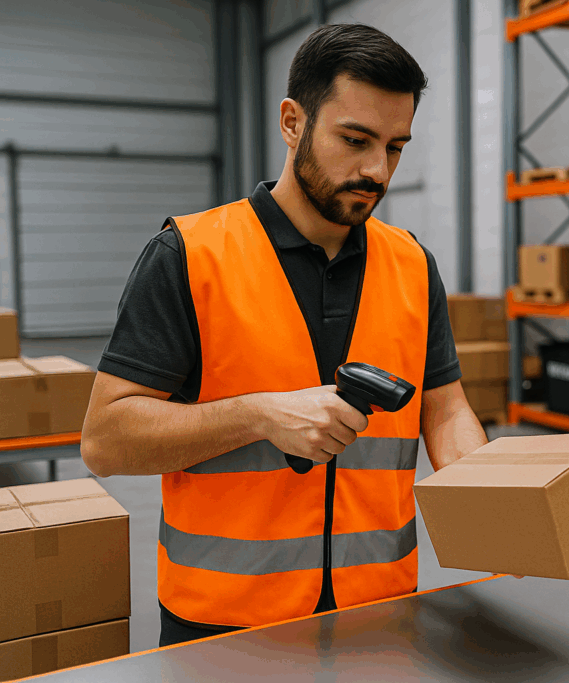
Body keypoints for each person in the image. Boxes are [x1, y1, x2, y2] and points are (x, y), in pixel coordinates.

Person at [82, 23, 502, 648]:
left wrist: (499, 506)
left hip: (380, 613)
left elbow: (444, 410)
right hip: (224, 625)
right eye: (355, 140)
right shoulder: (190, 255)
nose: (375, 170)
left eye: (395, 147)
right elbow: (106, 442)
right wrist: (258, 415)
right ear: (292, 122)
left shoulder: (413, 264)